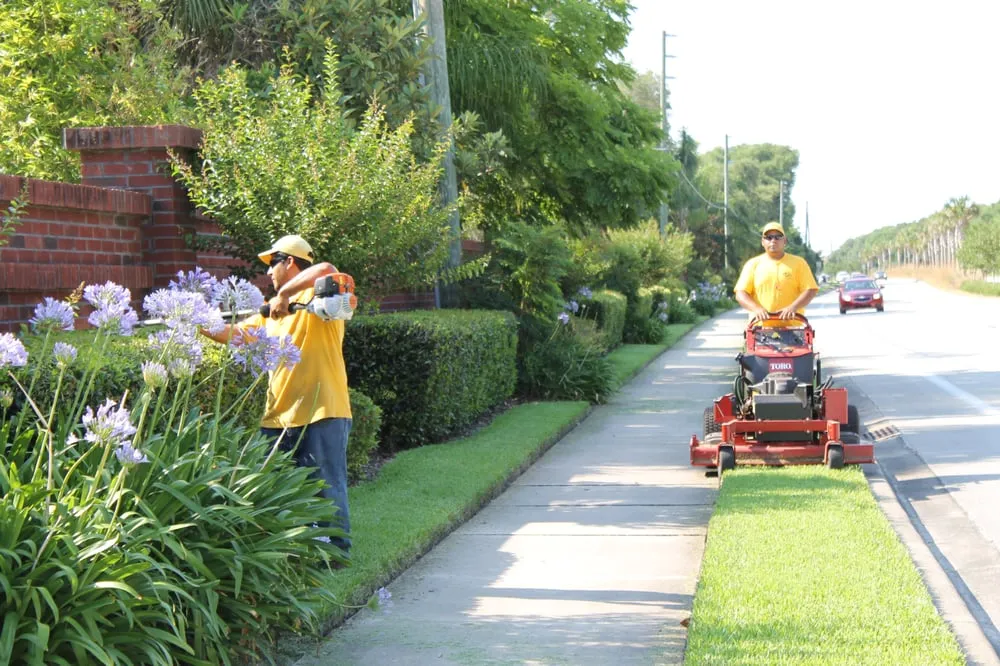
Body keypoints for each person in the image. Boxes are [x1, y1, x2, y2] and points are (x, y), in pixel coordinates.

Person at [202, 234, 353, 554]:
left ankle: (337, 552)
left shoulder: (323, 293)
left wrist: (286, 294)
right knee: (277, 488)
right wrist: (194, 319)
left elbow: (326, 266)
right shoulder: (270, 315)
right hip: (277, 416)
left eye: (273, 263)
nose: (269, 272)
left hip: (323, 409)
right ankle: (294, 549)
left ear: (291, 262)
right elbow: (232, 335)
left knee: (326, 486)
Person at [734, 222, 819, 325]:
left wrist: (793, 307)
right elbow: (740, 293)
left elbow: (810, 290)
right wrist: (757, 309)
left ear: (785, 241)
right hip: (760, 329)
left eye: (778, 237)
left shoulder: (799, 263)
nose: (773, 241)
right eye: (769, 237)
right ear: (762, 242)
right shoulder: (753, 264)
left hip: (792, 328)